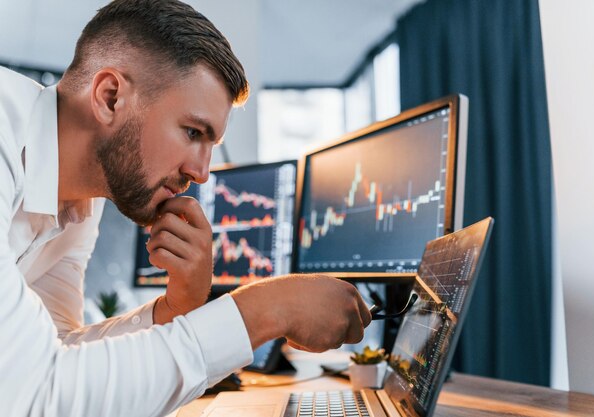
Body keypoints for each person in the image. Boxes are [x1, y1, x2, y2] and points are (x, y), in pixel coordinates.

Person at [0, 1, 371, 416]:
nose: (201, 172)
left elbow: (57, 349)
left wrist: (173, 311)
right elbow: (32, 396)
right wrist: (266, 310)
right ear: (110, 97)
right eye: (192, 131)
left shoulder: (79, 200)